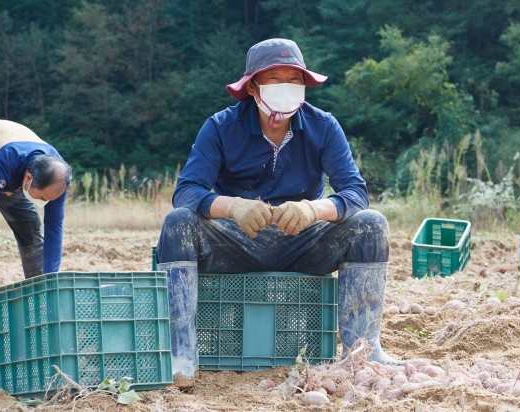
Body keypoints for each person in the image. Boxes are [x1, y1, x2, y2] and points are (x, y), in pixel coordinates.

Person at [156, 38, 402, 387]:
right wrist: (233, 206)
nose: (285, 87)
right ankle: (180, 354)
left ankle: (363, 351)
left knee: (371, 225)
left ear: (304, 85)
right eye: (274, 78)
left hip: (301, 240)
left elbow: (355, 192)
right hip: (238, 240)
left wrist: (313, 209)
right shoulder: (220, 127)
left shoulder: (324, 126)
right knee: (178, 222)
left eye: (294, 79)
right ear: (253, 85)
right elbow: (186, 191)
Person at [0, 117, 73, 309]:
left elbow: (54, 227)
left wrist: (51, 279)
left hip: (8, 167)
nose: (44, 202)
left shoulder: (57, 176)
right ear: (28, 178)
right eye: (41, 197)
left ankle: (40, 292)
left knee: (29, 225)